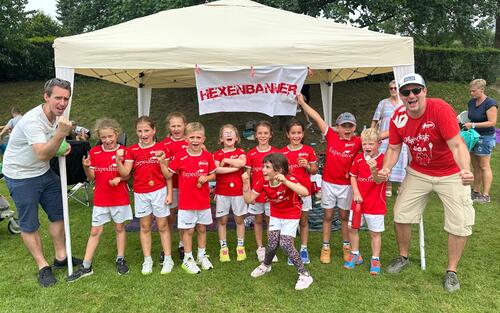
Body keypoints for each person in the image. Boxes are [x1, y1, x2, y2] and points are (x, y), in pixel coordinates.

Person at [376, 73, 474, 293]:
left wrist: (465, 169)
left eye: (416, 90)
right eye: (406, 92)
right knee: (401, 213)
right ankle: (403, 256)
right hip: (418, 172)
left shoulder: (440, 109)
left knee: (460, 222)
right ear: (400, 96)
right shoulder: (398, 117)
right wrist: (386, 168)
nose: (411, 95)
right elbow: (393, 148)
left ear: (424, 91)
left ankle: (451, 271)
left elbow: (457, 145)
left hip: (450, 172)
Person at [2, 78, 82, 287]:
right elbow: (42, 154)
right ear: (46, 97)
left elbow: (53, 145)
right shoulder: (31, 121)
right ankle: (42, 266)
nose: (62, 103)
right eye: (58, 98)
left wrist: (63, 144)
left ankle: (61, 257)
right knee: (29, 223)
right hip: (20, 175)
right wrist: (60, 135)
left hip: (43, 173)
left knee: (58, 213)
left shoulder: (58, 116)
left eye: (66, 98)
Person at [296, 94, 361, 264]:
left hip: (346, 185)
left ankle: (346, 246)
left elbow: (378, 136)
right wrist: (302, 102)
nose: (347, 129)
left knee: (344, 217)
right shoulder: (331, 135)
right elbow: (317, 117)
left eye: (350, 126)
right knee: (328, 216)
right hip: (329, 184)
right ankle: (326, 247)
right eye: (344, 126)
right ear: (337, 127)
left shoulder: (358, 141)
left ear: (354, 128)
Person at [67, 118, 132, 282]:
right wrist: (86, 167)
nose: (108, 140)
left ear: (116, 134)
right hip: (101, 198)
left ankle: (120, 258)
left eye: (111, 136)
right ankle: (86, 265)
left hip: (119, 198)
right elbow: (92, 177)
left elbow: (127, 175)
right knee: (95, 231)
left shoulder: (125, 151)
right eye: (104, 137)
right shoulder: (95, 152)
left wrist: (119, 178)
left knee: (119, 228)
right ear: (99, 137)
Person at [243, 153, 313, 290]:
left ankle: (305, 274)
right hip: (276, 214)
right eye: (263, 166)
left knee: (285, 243)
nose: (263, 170)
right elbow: (249, 199)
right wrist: (246, 184)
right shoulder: (262, 181)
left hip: (292, 214)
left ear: (279, 170)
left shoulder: (289, 178)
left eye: (267, 167)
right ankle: (265, 265)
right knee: (273, 243)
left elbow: (304, 192)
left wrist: (286, 182)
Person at [115, 116, 174, 275]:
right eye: (140, 131)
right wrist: (118, 161)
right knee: (145, 226)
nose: (143, 134)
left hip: (159, 191)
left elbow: (168, 175)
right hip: (141, 193)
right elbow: (126, 173)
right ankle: (147, 259)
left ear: (154, 131)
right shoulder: (132, 150)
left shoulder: (162, 148)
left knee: (162, 225)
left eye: (146, 130)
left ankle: (168, 258)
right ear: (136, 132)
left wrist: (169, 193)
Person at [167, 122, 216, 274]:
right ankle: (187, 259)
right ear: (186, 139)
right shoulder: (180, 156)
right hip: (186, 203)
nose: (195, 140)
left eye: (198, 137)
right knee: (188, 230)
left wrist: (207, 178)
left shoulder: (207, 156)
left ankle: (201, 256)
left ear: (204, 139)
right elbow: (168, 174)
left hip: (203, 202)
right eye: (192, 137)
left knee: (202, 228)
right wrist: (162, 163)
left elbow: (214, 174)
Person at [345, 128, 386, 275]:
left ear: (379, 143)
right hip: (358, 203)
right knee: (352, 228)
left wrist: (374, 170)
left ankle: (375, 258)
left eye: (371, 144)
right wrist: (355, 191)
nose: (367, 147)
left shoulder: (384, 159)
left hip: (375, 203)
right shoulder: (359, 158)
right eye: (364, 144)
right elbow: (353, 176)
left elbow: (378, 180)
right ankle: (355, 253)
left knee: (374, 233)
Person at [281, 119, 318, 265]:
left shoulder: (308, 150)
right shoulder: (282, 152)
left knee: (303, 221)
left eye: (299, 133)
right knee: (291, 223)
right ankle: (292, 250)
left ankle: (303, 248)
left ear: (303, 134)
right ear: (287, 134)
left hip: (304, 192)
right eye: (293, 133)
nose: (296, 136)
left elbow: (314, 170)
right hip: (288, 194)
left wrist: (308, 165)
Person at [245, 121, 279, 262]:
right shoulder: (251, 153)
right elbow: (248, 175)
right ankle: (260, 248)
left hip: (271, 195)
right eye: (260, 133)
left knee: (271, 221)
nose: (263, 136)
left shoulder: (277, 153)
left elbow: (279, 175)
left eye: (266, 133)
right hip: (256, 194)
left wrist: (275, 193)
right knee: (257, 220)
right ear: (255, 135)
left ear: (271, 135)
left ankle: (271, 249)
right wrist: (250, 194)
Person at [213, 124, 248, 262]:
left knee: (239, 219)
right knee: (223, 220)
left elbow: (242, 163)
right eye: (225, 133)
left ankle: (240, 246)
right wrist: (235, 169)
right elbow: (217, 170)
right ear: (221, 139)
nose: (228, 135)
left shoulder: (240, 151)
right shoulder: (217, 154)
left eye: (231, 133)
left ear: (236, 137)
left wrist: (227, 161)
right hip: (222, 191)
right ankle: (223, 248)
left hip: (238, 192)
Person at [160, 112, 189, 262]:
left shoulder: (191, 141)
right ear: (169, 127)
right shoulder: (164, 145)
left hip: (187, 187)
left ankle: (183, 245)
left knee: (184, 218)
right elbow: (164, 169)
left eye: (179, 125)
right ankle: (166, 248)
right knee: (169, 218)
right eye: (173, 126)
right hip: (170, 187)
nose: (176, 129)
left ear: (185, 125)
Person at [371, 80, 408, 197]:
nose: (393, 90)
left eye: (395, 88)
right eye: (391, 88)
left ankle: (401, 186)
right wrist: (372, 134)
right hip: (384, 137)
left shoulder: (404, 103)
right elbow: (375, 120)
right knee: (385, 159)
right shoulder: (383, 103)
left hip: (401, 136)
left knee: (401, 159)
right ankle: (388, 185)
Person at [463, 79, 497, 204]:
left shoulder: (490, 103)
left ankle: (486, 195)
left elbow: (492, 122)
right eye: (470, 91)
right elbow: (469, 116)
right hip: (473, 136)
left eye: (474, 91)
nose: (471, 93)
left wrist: (472, 125)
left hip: (485, 137)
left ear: (482, 90)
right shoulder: (471, 102)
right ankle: (476, 191)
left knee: (484, 166)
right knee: (475, 166)